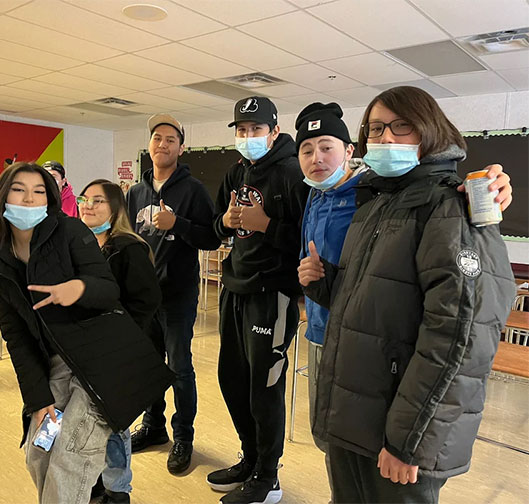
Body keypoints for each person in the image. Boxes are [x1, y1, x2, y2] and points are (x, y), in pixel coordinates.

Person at [299, 86, 516, 503]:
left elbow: (461, 338)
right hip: (358, 417)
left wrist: (409, 439)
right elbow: (374, 302)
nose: (386, 139)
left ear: (430, 132)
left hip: (400, 433)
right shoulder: (377, 205)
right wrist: (322, 285)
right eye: (376, 129)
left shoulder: (453, 208)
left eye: (402, 127)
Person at [0, 162, 173, 504]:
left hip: (102, 361)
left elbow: (108, 290)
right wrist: (38, 399)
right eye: (20, 190)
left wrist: (77, 288)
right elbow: (17, 338)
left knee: (71, 457)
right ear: (3, 195)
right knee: (40, 451)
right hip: (58, 364)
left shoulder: (70, 232)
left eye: (39, 192)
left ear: (49, 199)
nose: (30, 199)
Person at [208, 96, 307, 504]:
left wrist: (265, 224)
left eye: (256, 130)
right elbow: (218, 227)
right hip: (235, 288)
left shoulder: (292, 173)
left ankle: (269, 477)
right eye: (242, 131)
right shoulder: (235, 172)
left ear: (274, 132)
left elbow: (306, 239)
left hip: (273, 294)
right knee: (232, 379)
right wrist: (228, 223)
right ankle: (249, 459)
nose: (248, 137)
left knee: (264, 387)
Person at [126, 113, 220, 475]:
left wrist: (177, 224)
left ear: (181, 148)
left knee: (179, 368)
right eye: (156, 138)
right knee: (150, 367)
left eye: (170, 139)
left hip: (178, 295)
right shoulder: (136, 192)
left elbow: (212, 237)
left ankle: (183, 437)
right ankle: (153, 427)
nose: (162, 144)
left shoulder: (192, 190)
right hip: (143, 297)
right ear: (148, 146)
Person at [79, 179, 162, 504]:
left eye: (98, 201)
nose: (89, 205)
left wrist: (118, 339)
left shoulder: (128, 247)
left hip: (119, 352)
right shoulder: (82, 245)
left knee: (114, 424)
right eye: (86, 199)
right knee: (91, 421)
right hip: (87, 351)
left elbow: (147, 301)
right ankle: (97, 482)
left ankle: (117, 489)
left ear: (115, 209)